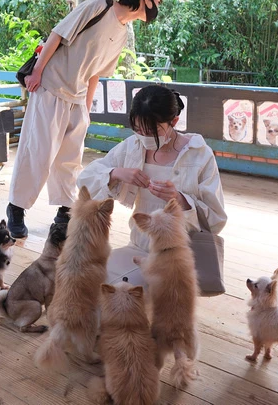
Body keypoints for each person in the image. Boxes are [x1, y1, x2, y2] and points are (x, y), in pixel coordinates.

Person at [6, 0, 165, 238]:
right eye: (157, 1)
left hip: (78, 98)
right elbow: (58, 34)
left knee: (70, 159)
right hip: (51, 87)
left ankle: (64, 210)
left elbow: (97, 73)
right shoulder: (98, 7)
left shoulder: (123, 32)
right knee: (39, 153)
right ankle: (17, 208)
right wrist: (37, 73)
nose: (157, 8)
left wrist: (86, 108)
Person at [76, 85, 227, 280]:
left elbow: (216, 218)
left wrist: (180, 199)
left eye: (152, 130)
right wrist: (116, 173)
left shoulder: (198, 154)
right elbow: (85, 181)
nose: (144, 136)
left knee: (127, 294)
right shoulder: (133, 147)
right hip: (138, 245)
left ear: (174, 121)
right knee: (90, 279)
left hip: (179, 254)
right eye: (138, 129)